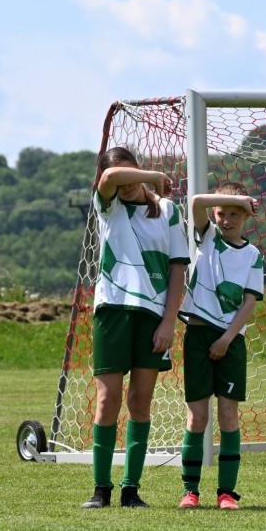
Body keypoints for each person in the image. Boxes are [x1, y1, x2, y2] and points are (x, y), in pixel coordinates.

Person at [81, 147, 189, 508]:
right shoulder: (108, 206)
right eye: (123, 179)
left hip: (153, 316)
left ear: (138, 169)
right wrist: (151, 178)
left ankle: (131, 489)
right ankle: (101, 490)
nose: (127, 184)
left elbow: (178, 269)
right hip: (112, 310)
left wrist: (168, 322)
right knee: (107, 400)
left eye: (133, 175)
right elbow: (110, 179)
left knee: (140, 401)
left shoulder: (169, 212)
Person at [176, 182, 263, 510]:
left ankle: (226, 493)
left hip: (231, 340)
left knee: (228, 416)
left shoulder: (253, 256)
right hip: (198, 336)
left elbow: (250, 302)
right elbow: (196, 201)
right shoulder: (207, 237)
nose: (225, 219)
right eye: (221, 213)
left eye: (233, 214)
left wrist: (227, 338)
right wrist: (234, 197)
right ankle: (190, 491)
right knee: (197, 418)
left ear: (245, 216)